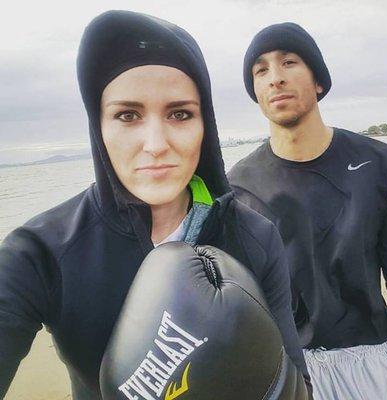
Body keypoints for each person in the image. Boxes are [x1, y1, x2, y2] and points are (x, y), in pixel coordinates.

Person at [0, 11, 310, 399]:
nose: (156, 143)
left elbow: (299, 383)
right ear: (99, 126)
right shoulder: (38, 253)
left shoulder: (256, 236)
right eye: (127, 115)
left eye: (180, 114)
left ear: (205, 124)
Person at [228, 22, 387, 400]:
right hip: (285, 372)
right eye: (261, 70)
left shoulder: (384, 166)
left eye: (289, 62)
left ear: (318, 81)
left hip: (370, 363)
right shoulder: (237, 188)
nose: (275, 78)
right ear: (255, 92)